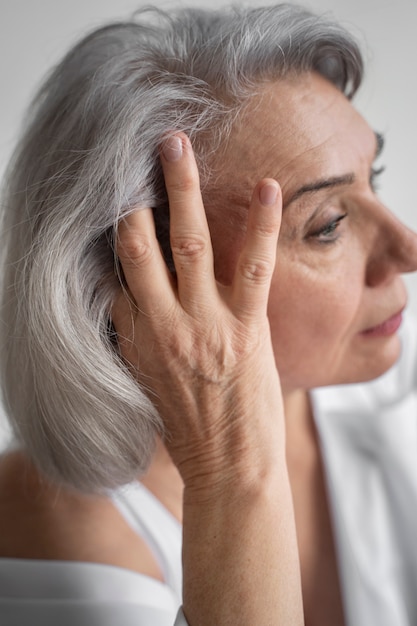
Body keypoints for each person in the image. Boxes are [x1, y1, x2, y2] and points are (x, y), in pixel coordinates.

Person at [0, 3, 416, 625]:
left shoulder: (391, 393)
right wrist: (229, 471)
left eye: (374, 179)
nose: (406, 249)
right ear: (150, 284)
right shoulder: (56, 536)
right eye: (327, 225)